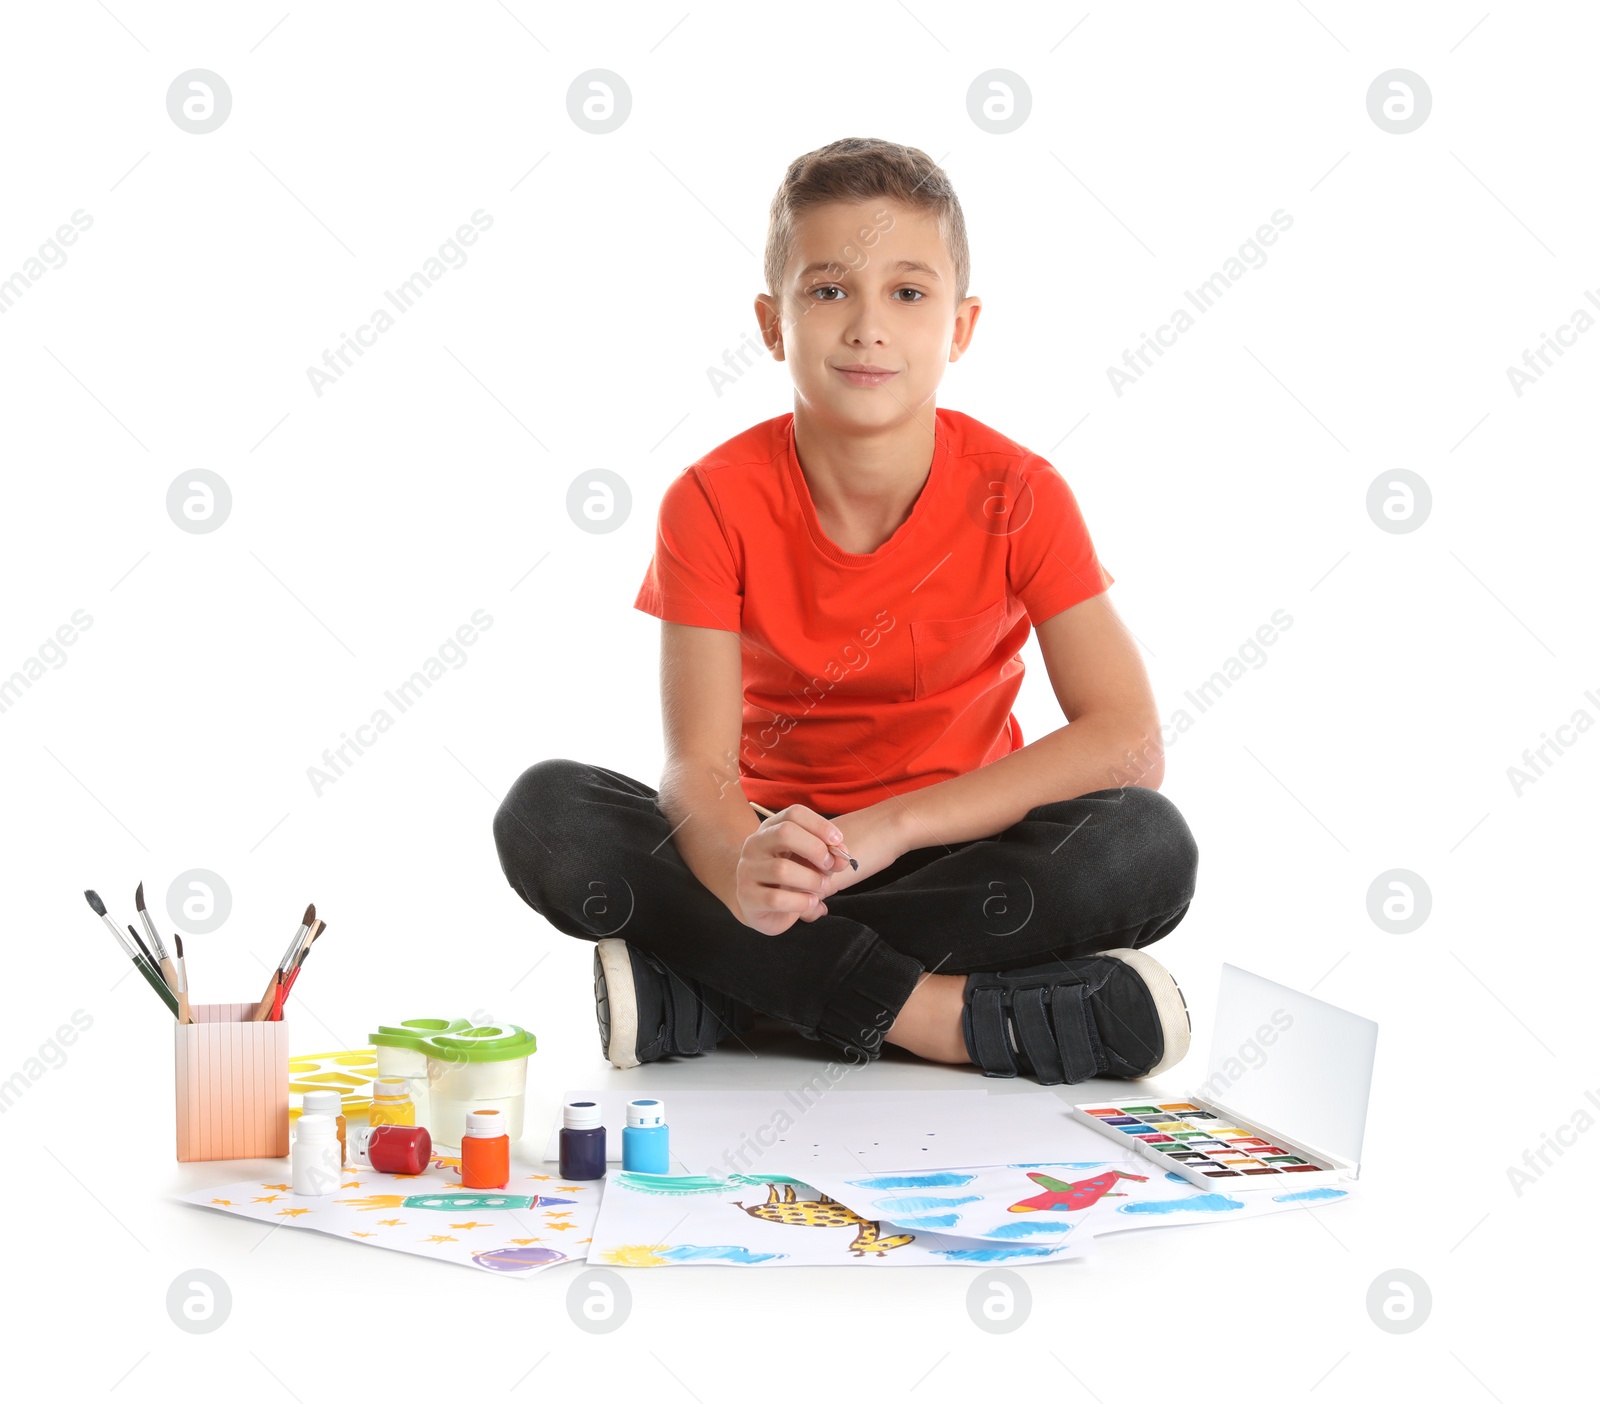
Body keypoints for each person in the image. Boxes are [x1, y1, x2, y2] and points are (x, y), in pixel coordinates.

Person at [494, 137, 1199, 1086]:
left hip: (957, 857)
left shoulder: (1020, 492)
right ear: (772, 322)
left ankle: (723, 993)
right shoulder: (709, 499)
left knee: (1144, 847)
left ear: (961, 326)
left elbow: (1126, 743)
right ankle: (940, 1016)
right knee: (549, 815)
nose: (868, 327)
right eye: (828, 290)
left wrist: (897, 827)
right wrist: (744, 859)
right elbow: (696, 766)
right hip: (772, 864)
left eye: (908, 294)